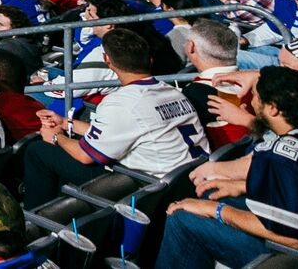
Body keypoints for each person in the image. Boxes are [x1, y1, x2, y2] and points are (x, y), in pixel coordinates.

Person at [160, 64, 298, 265]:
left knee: (184, 219)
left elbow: (289, 237)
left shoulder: (283, 154)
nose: (252, 101)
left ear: (273, 108)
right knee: (217, 197)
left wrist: (215, 211)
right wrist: (242, 186)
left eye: (256, 96)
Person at [19, 26, 206, 204]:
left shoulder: (121, 102)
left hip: (148, 187)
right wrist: (67, 123)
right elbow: (117, 131)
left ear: (107, 61)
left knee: (38, 151)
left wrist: (55, 137)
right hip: (186, 179)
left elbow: (85, 155)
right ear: (149, 59)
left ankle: (37, 225)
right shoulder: (172, 91)